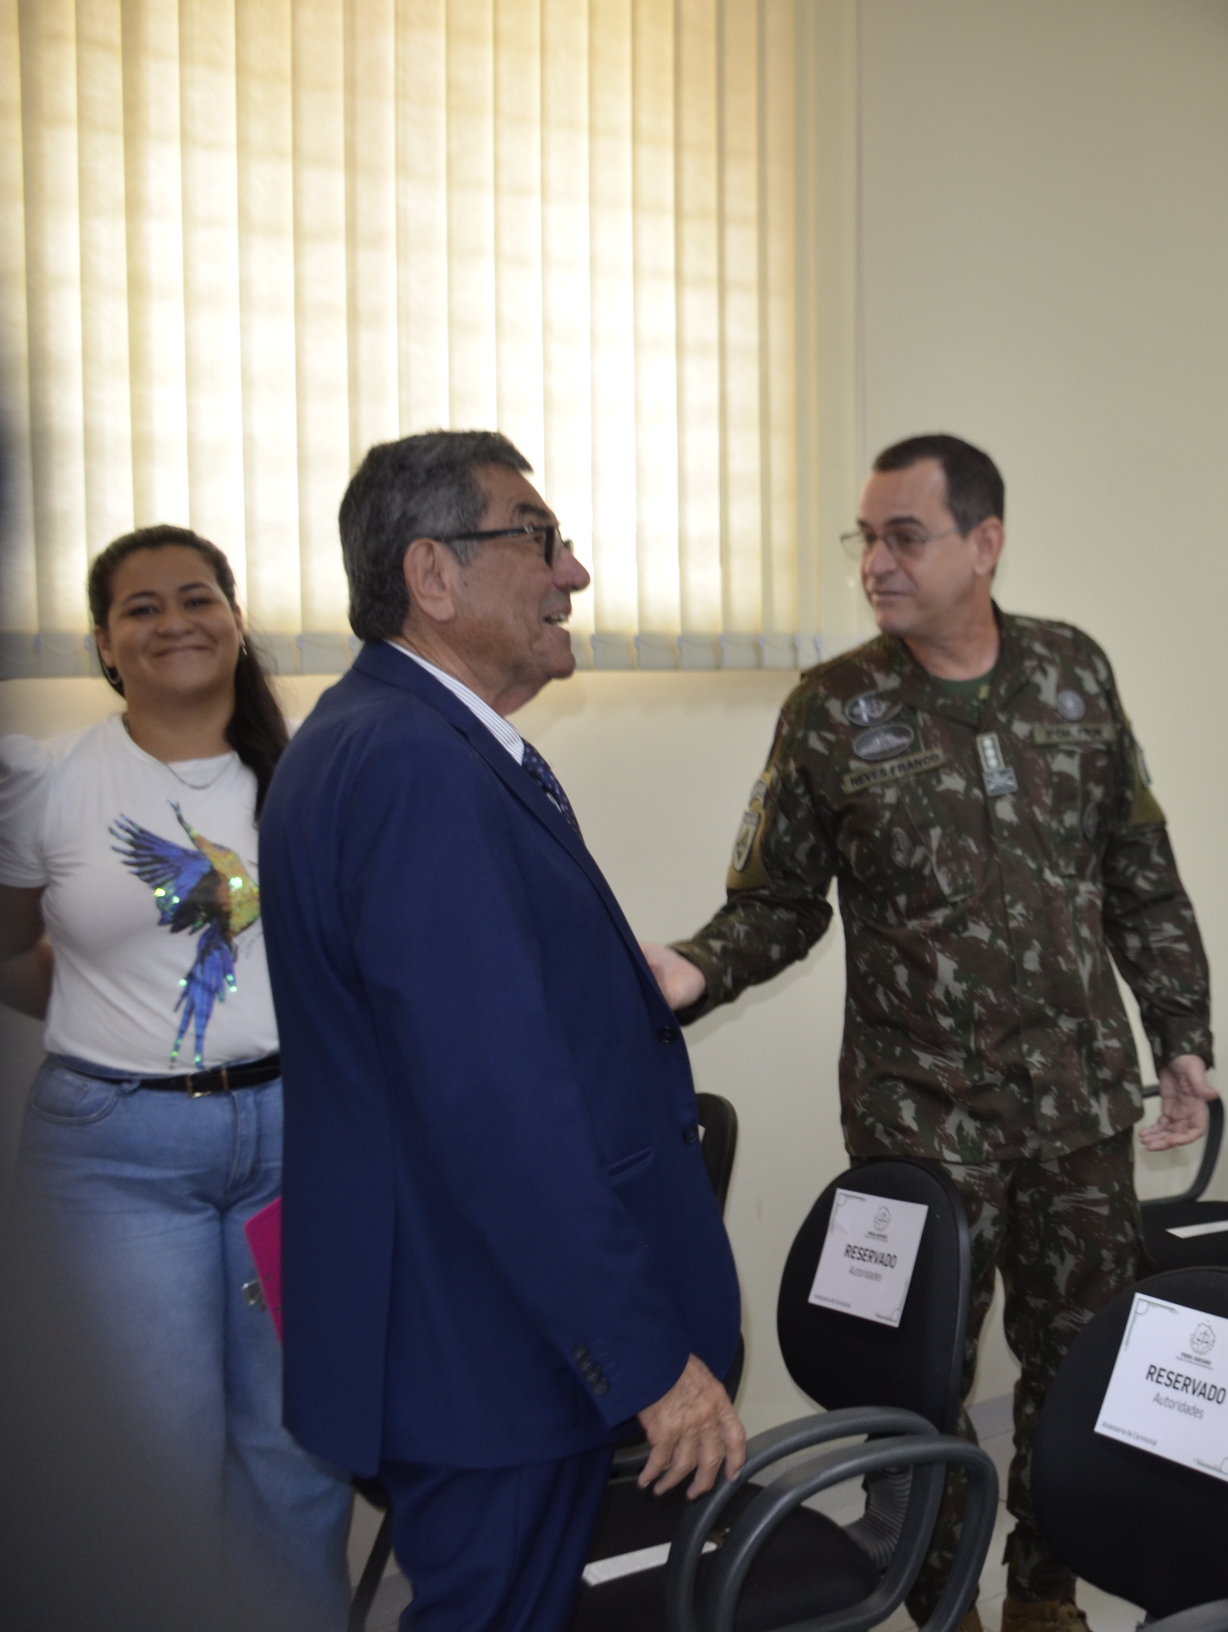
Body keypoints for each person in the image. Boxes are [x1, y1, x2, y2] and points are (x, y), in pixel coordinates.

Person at [643, 433, 1216, 1632]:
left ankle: (1043, 1596)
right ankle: (942, 1601)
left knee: (1079, 1368)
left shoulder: (1073, 674)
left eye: (904, 535)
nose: (875, 562)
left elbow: (1137, 872)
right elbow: (780, 902)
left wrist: (1181, 1031)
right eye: (866, 537)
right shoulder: (833, 709)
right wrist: (695, 968)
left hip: (1075, 1109)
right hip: (919, 1116)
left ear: (984, 544)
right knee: (918, 1383)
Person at [260, 432, 745, 1632]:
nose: (571, 572)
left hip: (466, 1323)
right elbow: (500, 1112)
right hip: (482, 1347)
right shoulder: (414, 764)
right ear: (433, 576)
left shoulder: (389, 739)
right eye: (537, 538)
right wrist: (645, 1361)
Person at [0, 527, 352, 1626]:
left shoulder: (312, 775)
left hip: (296, 1146)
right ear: (105, 645)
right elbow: (12, 950)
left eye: (196, 598)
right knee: (149, 1464)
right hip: (116, 1161)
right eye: (140, 609)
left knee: (301, 1455)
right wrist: (115, 1027)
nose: (173, 622)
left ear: (237, 620)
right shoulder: (46, 787)